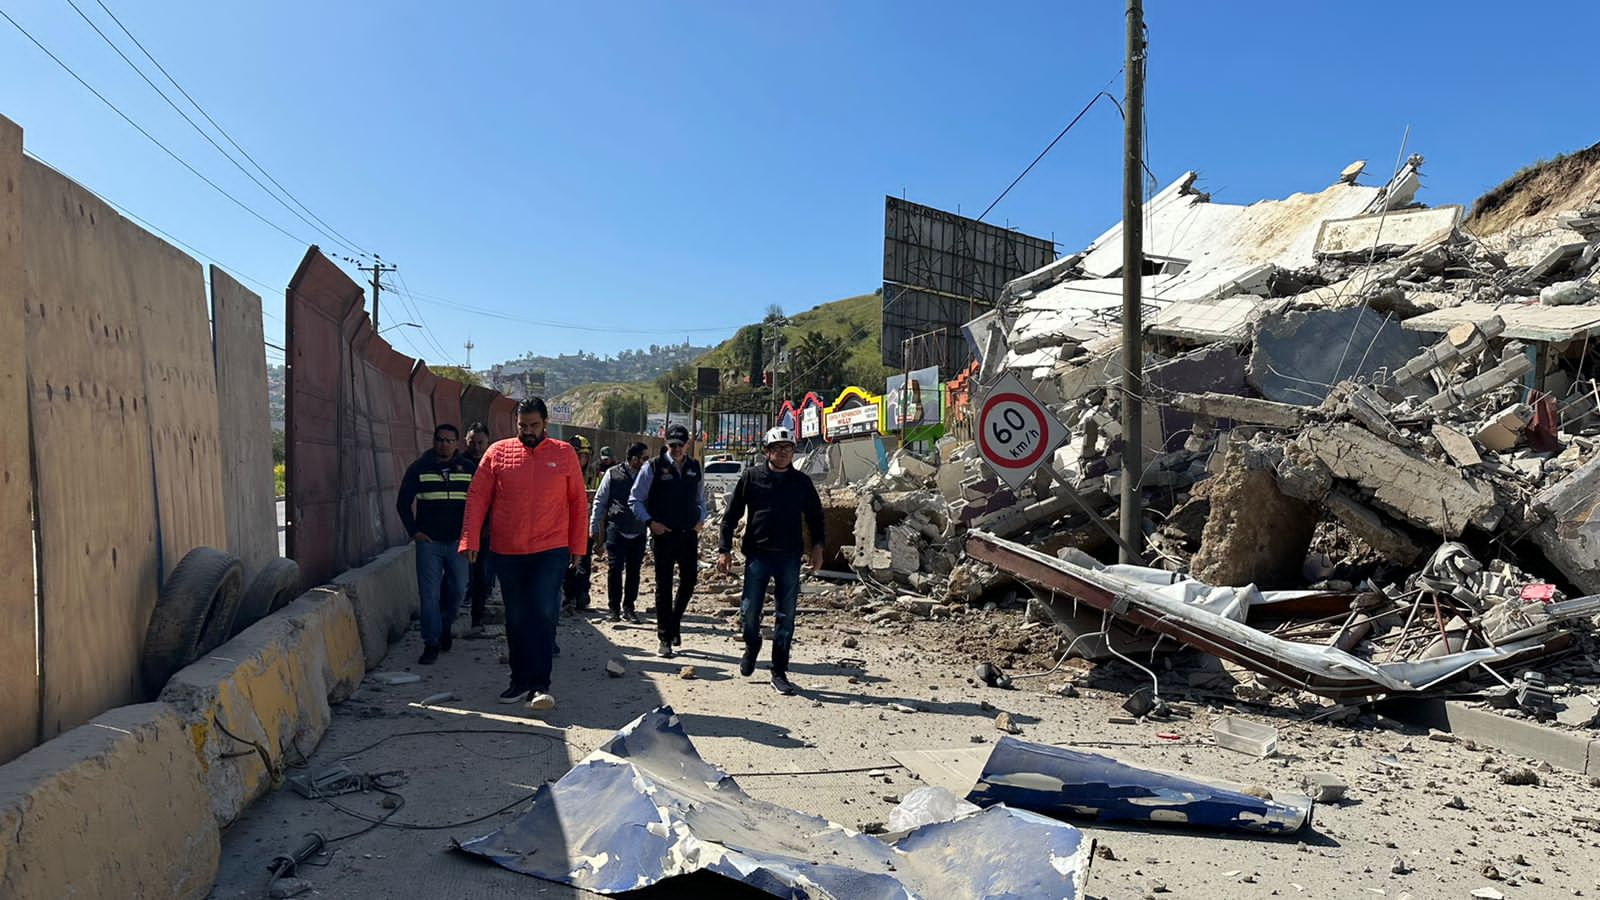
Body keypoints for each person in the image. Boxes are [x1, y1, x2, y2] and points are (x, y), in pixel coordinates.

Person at [460, 398, 587, 712]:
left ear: (545, 423)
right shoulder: (497, 453)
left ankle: (539, 685)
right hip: (508, 550)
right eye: (522, 426)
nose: (527, 431)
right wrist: (470, 539)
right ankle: (519, 680)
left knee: (544, 612)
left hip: (551, 549)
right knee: (516, 617)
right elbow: (478, 496)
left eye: (533, 425)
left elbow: (577, 503)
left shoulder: (564, 453)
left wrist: (578, 547)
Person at [717, 426, 824, 696]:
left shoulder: (801, 483)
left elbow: (815, 517)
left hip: (789, 557)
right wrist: (724, 549)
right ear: (767, 451)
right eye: (777, 449)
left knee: (786, 617)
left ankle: (779, 670)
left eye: (787, 449)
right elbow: (731, 515)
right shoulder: (752, 477)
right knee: (749, 611)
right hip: (758, 555)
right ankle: (752, 645)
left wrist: (818, 548)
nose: (782, 453)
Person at [396, 424, 476, 665]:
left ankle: (444, 624)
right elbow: (402, 503)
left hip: (457, 543)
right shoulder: (419, 468)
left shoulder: (468, 469)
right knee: (428, 595)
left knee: (459, 590)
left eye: (449, 440)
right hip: (429, 543)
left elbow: (479, 503)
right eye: (440, 440)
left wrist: (472, 534)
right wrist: (415, 532)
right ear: (434, 441)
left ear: (457, 443)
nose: (444, 444)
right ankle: (430, 642)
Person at [629, 423, 705, 658]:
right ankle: (665, 637)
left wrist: (701, 519)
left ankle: (674, 622)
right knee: (663, 587)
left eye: (681, 445)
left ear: (687, 444)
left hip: (688, 534)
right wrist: (651, 523)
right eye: (672, 445)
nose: (677, 449)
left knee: (689, 580)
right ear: (665, 444)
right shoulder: (653, 467)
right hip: (664, 535)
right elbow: (635, 499)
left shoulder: (694, 467)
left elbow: (701, 499)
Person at [590, 442, 649, 624]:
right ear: (633, 458)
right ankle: (613, 609)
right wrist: (594, 524)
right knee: (615, 570)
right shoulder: (613, 474)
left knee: (634, 572)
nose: (646, 462)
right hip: (616, 529)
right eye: (643, 458)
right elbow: (600, 500)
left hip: (638, 531)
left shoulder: (647, 476)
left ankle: (629, 609)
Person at [462, 422, 494, 632]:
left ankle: (477, 615)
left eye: (480, 443)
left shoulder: (493, 463)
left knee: (482, 574)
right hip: (462, 528)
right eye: (472, 443)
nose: (476, 447)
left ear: (487, 442)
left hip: (485, 529)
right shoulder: (460, 464)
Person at [564, 434, 595, 613]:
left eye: (582, 456)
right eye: (577, 455)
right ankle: (568, 596)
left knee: (584, 563)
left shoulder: (593, 475)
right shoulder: (561, 473)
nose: (580, 459)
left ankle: (582, 594)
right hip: (565, 526)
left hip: (585, 526)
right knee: (566, 564)